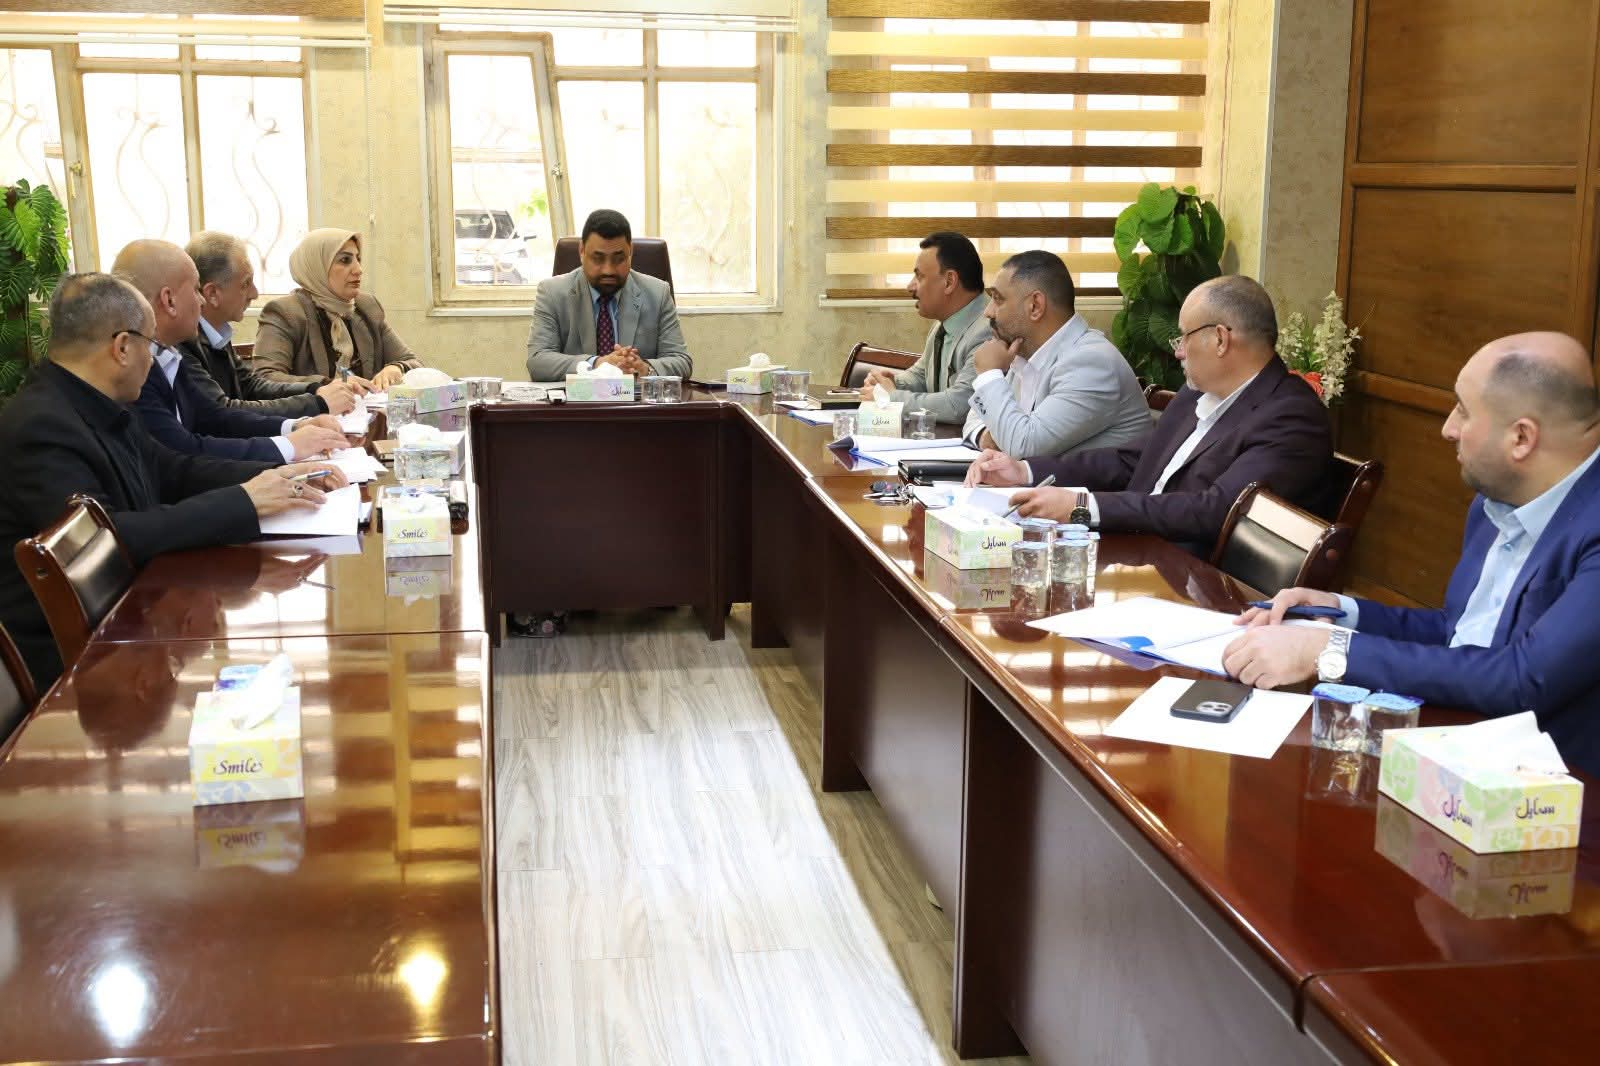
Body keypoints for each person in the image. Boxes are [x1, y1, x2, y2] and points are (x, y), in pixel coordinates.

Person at [1225, 331, 1600, 772]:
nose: (1448, 428)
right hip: (1455, 746)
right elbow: (1456, 631)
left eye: (1463, 410)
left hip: (1553, 789)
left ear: (1521, 438)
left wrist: (1328, 651)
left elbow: (1522, 678)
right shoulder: (1496, 501)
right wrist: (1341, 612)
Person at [0, 273, 346, 691]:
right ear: (122, 347)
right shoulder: (40, 426)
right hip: (74, 662)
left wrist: (276, 476)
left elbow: (172, 470)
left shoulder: (98, 401)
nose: (154, 361)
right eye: (151, 346)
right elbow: (101, 541)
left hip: (128, 612)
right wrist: (244, 501)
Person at [966, 274, 1332, 554]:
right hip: (1135, 551)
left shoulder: (1290, 418)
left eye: (1184, 337)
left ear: (1221, 339)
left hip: (1198, 581)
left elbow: (1216, 510)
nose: (1178, 352)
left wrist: (1081, 506)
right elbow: (1130, 461)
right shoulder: (1196, 393)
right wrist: (1024, 472)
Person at [114, 239, 348, 464]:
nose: (201, 301)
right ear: (169, 301)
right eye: (195, 290)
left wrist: (293, 427)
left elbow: (215, 416)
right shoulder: (138, 368)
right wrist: (289, 446)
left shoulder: (169, 353)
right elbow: (184, 454)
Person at [960, 250, 1149, 458]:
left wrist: (989, 375)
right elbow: (975, 420)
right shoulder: (1023, 353)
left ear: (1035, 306)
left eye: (998, 299)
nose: (988, 312)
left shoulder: (1091, 364)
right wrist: (990, 436)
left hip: (1090, 481)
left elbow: (1023, 447)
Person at [181, 231, 358, 418]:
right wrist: (317, 403)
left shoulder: (216, 332)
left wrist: (316, 389)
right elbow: (224, 412)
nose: (255, 293)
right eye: (245, 284)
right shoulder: (183, 343)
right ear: (212, 294)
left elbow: (250, 386)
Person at [525, 209, 693, 381]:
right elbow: (538, 361)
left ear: (630, 252)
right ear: (582, 251)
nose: (608, 270)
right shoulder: (552, 292)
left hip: (635, 398)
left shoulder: (658, 293)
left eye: (619, 259)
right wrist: (597, 364)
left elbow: (681, 361)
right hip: (577, 398)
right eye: (598, 259)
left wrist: (644, 368)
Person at [253, 228, 424, 390]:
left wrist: (397, 367)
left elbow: (414, 362)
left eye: (358, 259)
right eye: (345, 260)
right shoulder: (285, 312)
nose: (358, 270)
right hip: (314, 411)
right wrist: (328, 385)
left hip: (364, 410)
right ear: (317, 266)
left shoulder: (366, 306)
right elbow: (265, 378)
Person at [857, 232, 991, 423]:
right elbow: (921, 376)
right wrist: (890, 382)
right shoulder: (942, 325)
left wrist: (891, 398)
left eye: (919, 277)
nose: (910, 287)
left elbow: (960, 405)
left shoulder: (989, 330)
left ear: (949, 281)